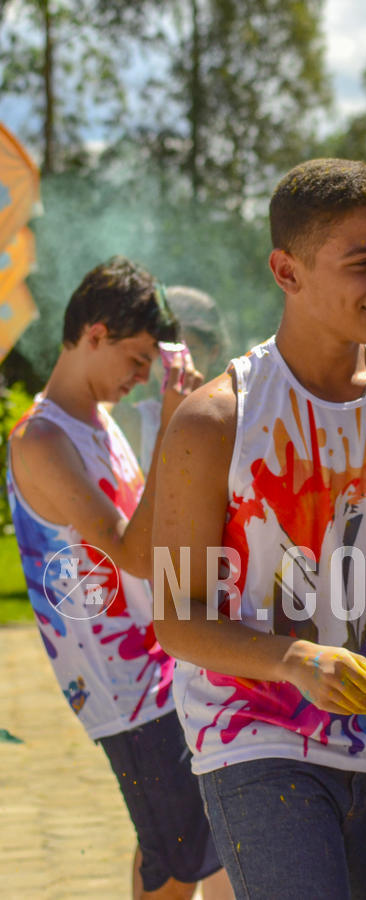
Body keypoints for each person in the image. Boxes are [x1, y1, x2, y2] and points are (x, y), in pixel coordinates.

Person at [152, 158, 366, 898]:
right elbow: (176, 617)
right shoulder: (214, 422)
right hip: (251, 740)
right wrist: (295, 659)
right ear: (286, 272)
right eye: (363, 264)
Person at [7, 257, 232, 899]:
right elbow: (133, 553)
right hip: (123, 689)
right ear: (95, 333)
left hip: (157, 669)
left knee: (168, 857)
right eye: (136, 359)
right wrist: (175, 426)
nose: (141, 377)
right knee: (184, 858)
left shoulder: (98, 422)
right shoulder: (41, 441)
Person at [113, 285, 227, 474]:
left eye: (191, 351)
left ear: (213, 352)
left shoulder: (231, 418)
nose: (178, 365)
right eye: (167, 353)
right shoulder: (134, 421)